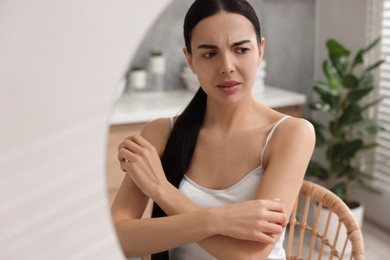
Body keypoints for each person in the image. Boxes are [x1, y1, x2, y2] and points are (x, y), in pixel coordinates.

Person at [111, 0, 315, 259]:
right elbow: (118, 237)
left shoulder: (290, 134)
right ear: (190, 60)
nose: (227, 66)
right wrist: (219, 220)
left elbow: (249, 256)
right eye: (209, 53)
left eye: (240, 50)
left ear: (260, 50)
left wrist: (162, 190)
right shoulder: (160, 134)